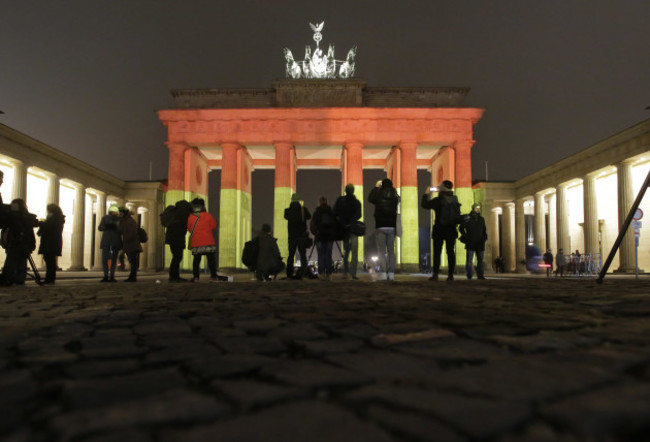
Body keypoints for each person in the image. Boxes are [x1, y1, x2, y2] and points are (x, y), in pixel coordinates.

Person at [421, 180, 461, 281]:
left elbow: (424, 205)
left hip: (439, 228)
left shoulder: (438, 200)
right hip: (451, 229)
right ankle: (451, 275)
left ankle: (435, 274)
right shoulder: (455, 200)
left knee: (437, 252)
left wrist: (426, 193)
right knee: (450, 252)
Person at [368, 178, 400, 281]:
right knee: (391, 251)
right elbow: (399, 199)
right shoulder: (395, 197)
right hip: (391, 226)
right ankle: (391, 273)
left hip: (380, 225)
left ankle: (382, 272)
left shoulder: (378, 195)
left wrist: (376, 187)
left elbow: (370, 198)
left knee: (381, 251)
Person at [1, 199, 37, 286]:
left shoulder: (24, 217)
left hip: (19, 242)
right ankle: (16, 278)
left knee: (15, 261)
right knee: (19, 261)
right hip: (16, 242)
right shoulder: (16, 217)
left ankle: (11, 278)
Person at [334, 183, 362, 280]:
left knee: (346, 250)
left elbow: (335, 213)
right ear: (353, 191)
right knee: (355, 251)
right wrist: (352, 220)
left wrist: (341, 222)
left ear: (345, 190)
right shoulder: (357, 202)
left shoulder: (340, 200)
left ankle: (345, 272)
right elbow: (359, 215)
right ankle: (353, 273)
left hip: (343, 228)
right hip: (353, 228)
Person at [187, 198, 218, 282]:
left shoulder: (190, 217)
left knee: (196, 261)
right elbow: (214, 225)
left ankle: (196, 277)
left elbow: (189, 228)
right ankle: (213, 277)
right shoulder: (208, 215)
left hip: (196, 242)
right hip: (208, 241)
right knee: (211, 260)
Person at [163, 200, 192, 282]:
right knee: (177, 257)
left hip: (172, 238)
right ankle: (174, 276)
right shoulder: (181, 215)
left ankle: (174, 276)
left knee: (176, 257)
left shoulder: (174, 214)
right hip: (177, 239)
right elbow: (183, 227)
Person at [284, 193, 311, 279]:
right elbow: (309, 216)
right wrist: (302, 207)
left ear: (291, 200)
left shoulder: (287, 211)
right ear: (299, 201)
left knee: (291, 255)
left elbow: (286, 217)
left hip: (292, 237)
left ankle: (289, 273)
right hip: (302, 236)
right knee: (303, 255)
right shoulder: (303, 210)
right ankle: (303, 272)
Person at [36, 204, 65, 284]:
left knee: (49, 261)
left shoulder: (53, 219)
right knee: (50, 261)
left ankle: (49, 279)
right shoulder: (58, 219)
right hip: (54, 242)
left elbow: (48, 228)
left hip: (49, 242)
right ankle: (50, 279)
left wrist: (41, 223)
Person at [310, 196, 337, 280]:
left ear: (319, 202)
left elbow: (312, 224)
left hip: (319, 237)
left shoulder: (316, 212)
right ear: (327, 202)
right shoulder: (331, 212)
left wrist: (315, 233)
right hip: (329, 237)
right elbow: (335, 224)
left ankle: (321, 273)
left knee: (320, 255)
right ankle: (329, 274)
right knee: (328, 255)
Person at [459, 203, 488, 280]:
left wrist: (484, 238)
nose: (479, 209)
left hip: (480, 242)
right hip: (470, 242)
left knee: (480, 260)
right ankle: (469, 274)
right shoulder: (467, 218)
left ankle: (480, 275)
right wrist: (466, 236)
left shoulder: (482, 219)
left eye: (479, 208)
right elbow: (461, 228)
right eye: (477, 208)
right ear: (473, 208)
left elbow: (484, 230)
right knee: (469, 260)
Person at [98, 204, 123, 282]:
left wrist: (116, 227)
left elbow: (122, 230)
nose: (115, 213)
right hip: (106, 241)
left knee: (113, 259)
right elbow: (100, 227)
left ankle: (112, 276)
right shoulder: (105, 218)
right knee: (105, 259)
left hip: (115, 241)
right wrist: (107, 226)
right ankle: (106, 275)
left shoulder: (119, 219)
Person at [119, 207, 143, 282]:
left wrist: (125, 240)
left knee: (132, 260)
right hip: (131, 243)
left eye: (121, 213)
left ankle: (132, 276)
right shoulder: (127, 220)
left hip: (131, 243)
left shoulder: (128, 221)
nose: (119, 214)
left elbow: (131, 233)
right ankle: (132, 276)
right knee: (132, 260)